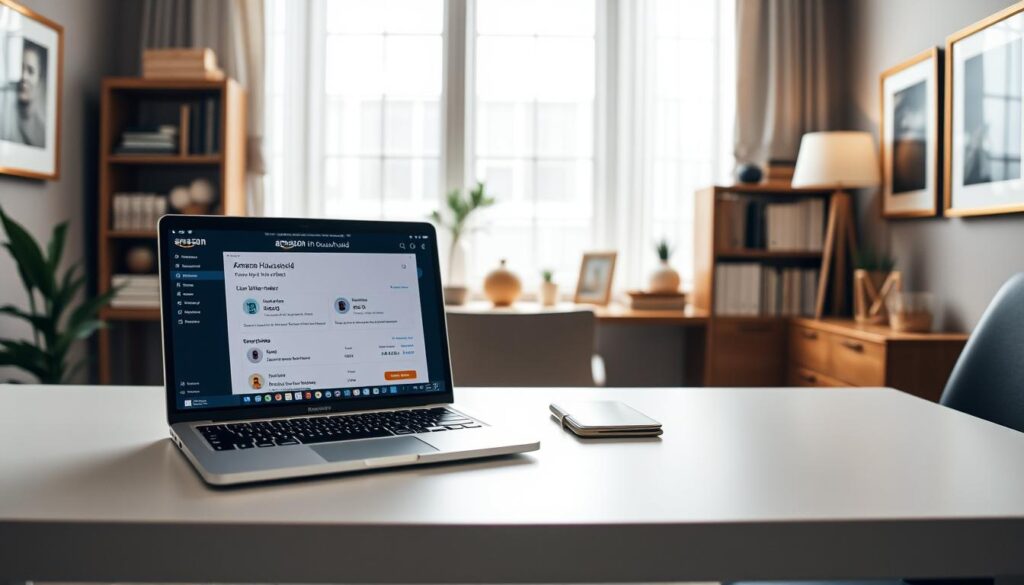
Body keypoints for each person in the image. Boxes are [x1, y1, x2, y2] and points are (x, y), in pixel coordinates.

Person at [0, 38, 47, 147]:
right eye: (20, 69)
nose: (23, 77)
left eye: (30, 71)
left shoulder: (42, 131)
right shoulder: (4, 118)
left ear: (39, 78)